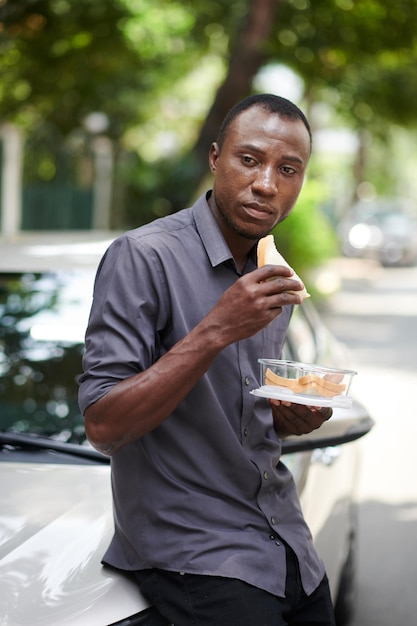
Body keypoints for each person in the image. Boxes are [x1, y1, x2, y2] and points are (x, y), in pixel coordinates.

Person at [78, 93, 336, 626]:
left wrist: (287, 417)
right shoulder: (143, 256)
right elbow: (103, 424)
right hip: (197, 556)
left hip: (287, 542)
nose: (267, 183)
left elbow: (227, 415)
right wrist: (216, 329)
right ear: (215, 158)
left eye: (288, 169)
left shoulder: (272, 272)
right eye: (249, 160)